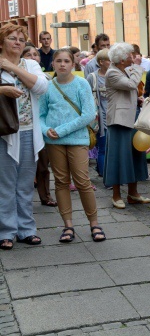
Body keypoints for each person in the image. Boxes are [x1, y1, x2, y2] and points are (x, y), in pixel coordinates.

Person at [39, 49, 106, 243]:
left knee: (82, 181)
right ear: (52, 64)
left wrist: (62, 130)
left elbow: (88, 114)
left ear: (73, 64)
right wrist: (46, 130)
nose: (62, 64)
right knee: (60, 182)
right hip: (54, 141)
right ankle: (68, 225)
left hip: (76, 140)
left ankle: (94, 223)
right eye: (58, 61)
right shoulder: (47, 87)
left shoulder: (81, 84)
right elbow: (41, 114)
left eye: (66, 61)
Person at [0, 25, 49, 249]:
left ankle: (27, 229)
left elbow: (41, 87)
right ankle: (6, 231)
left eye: (21, 39)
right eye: (12, 38)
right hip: (5, 132)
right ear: (1, 42)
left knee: (25, 183)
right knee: (6, 184)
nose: (18, 42)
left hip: (29, 130)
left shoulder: (30, 64)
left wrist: (13, 68)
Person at [103, 43, 150, 208]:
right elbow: (131, 84)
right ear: (122, 59)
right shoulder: (112, 73)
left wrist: (135, 100)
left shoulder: (122, 70)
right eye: (131, 55)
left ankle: (133, 193)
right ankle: (116, 195)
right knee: (117, 157)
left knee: (134, 155)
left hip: (131, 118)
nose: (134, 57)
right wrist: (138, 67)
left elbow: (127, 91)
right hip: (119, 121)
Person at [21, 46, 56, 207]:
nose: (33, 57)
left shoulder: (46, 80)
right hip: (24, 125)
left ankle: (45, 195)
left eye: (35, 55)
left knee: (43, 165)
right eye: (29, 55)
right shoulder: (19, 75)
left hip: (42, 125)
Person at [86, 49, 110, 177]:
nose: (112, 62)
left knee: (113, 150)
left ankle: (112, 175)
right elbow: (87, 97)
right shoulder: (93, 77)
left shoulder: (115, 76)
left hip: (115, 118)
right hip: (100, 119)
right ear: (101, 62)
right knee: (103, 149)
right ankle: (105, 175)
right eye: (109, 60)